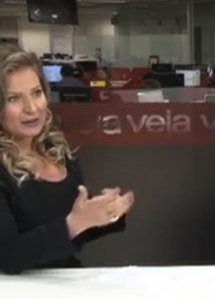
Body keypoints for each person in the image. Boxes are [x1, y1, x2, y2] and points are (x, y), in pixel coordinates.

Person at [0, 45, 134, 274]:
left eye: (36, 93)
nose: (31, 108)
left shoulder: (57, 151)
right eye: (14, 98)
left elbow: (68, 237)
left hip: (63, 286)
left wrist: (105, 213)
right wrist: (73, 223)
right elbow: (9, 255)